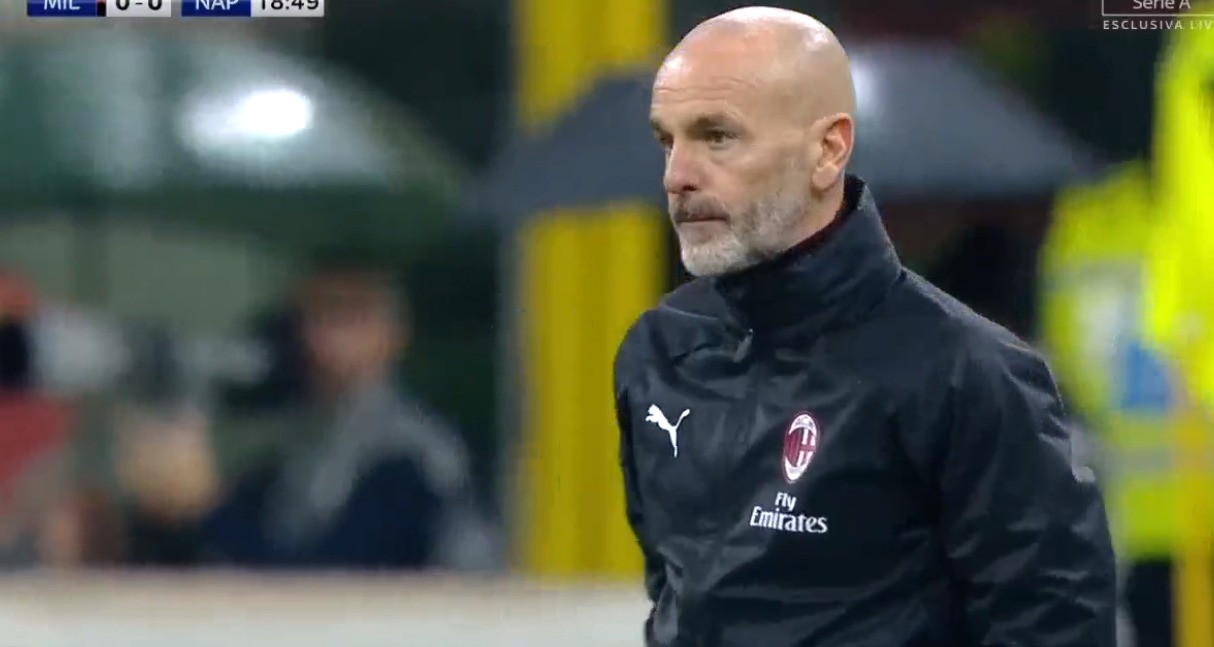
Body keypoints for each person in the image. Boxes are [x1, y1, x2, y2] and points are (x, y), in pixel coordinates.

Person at [615, 7, 1117, 646]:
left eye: (717, 137)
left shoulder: (967, 373)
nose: (677, 176)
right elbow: (673, 595)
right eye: (668, 141)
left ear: (828, 150)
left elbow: (1053, 626)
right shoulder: (659, 352)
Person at [119, 258, 498, 570]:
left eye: (349, 313)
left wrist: (205, 510)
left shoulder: (414, 458)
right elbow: (218, 564)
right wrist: (163, 514)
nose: (325, 336)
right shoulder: (290, 454)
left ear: (393, 331)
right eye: (312, 315)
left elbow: (327, 585)